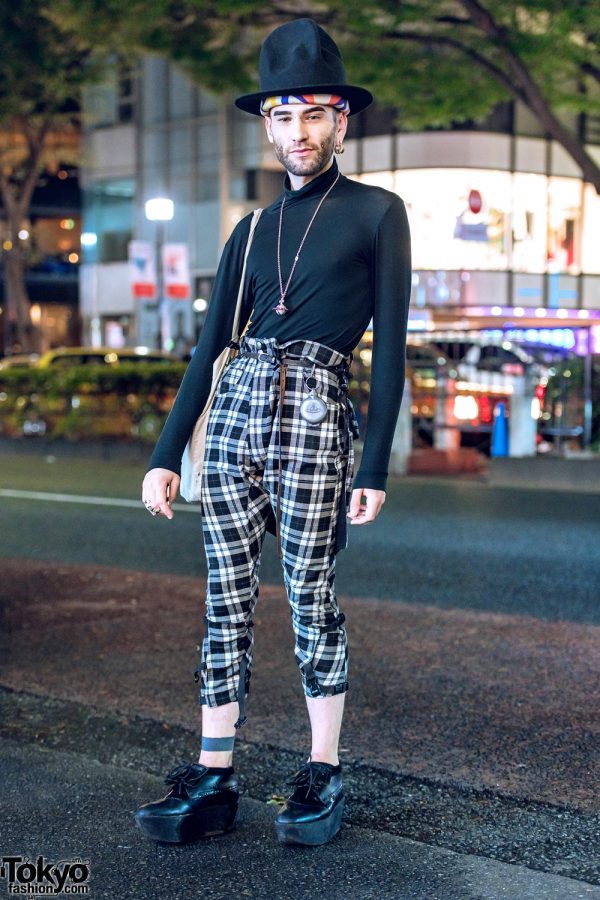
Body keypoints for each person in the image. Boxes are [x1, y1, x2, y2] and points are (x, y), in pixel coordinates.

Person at [135, 17, 411, 847]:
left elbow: (392, 350)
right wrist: (163, 455)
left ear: (341, 120)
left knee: (309, 595)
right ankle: (214, 777)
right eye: (284, 115)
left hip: (319, 406)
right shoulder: (250, 229)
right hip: (235, 416)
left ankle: (322, 774)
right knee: (223, 598)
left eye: (316, 113)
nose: (300, 130)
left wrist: (374, 466)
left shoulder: (377, 213)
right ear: (267, 123)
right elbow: (207, 346)